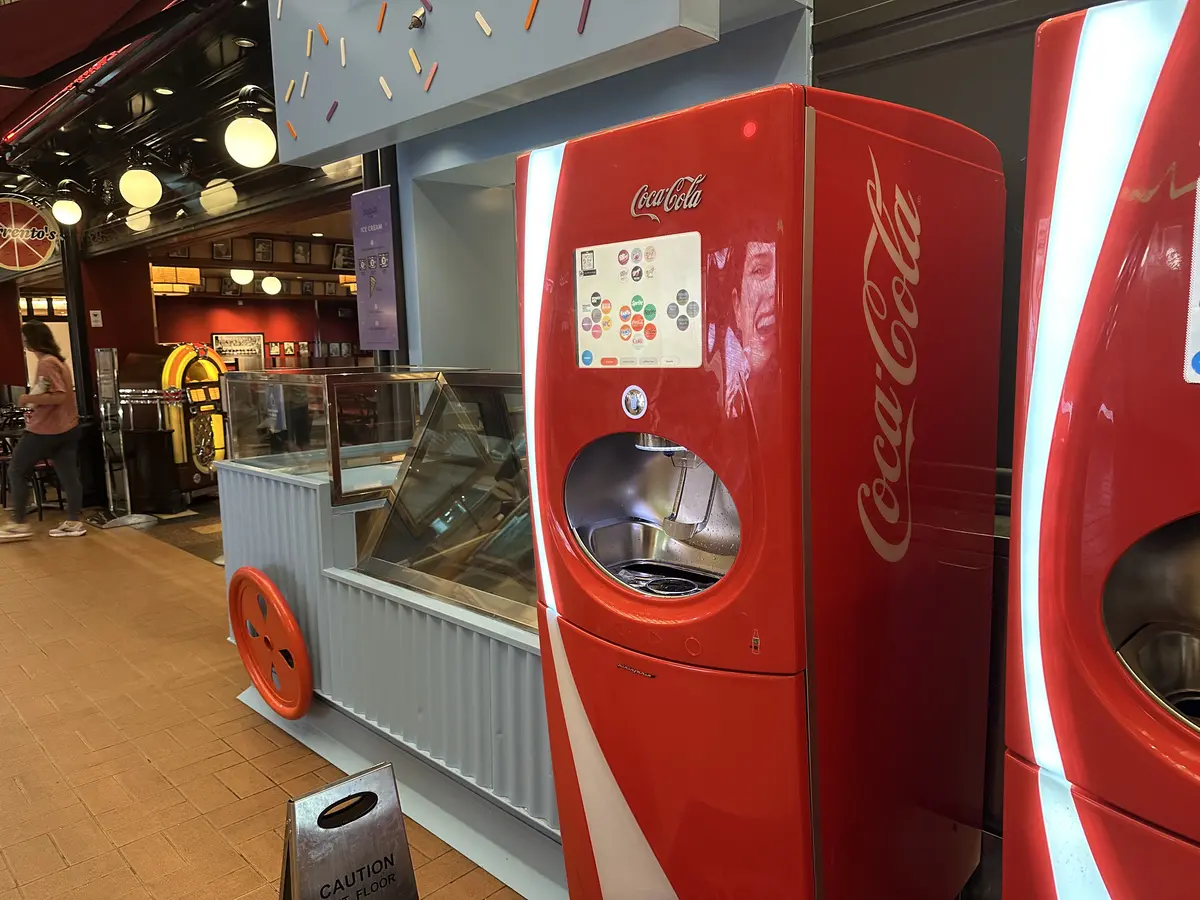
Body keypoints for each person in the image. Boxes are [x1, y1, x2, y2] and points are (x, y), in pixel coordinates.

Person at [0, 322, 86, 541]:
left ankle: (19, 523)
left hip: (46, 430)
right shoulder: (57, 362)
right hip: (68, 427)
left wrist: (29, 398)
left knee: (17, 470)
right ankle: (74, 520)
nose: (23, 341)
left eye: (25, 337)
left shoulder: (46, 363)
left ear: (33, 339)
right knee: (68, 474)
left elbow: (59, 395)